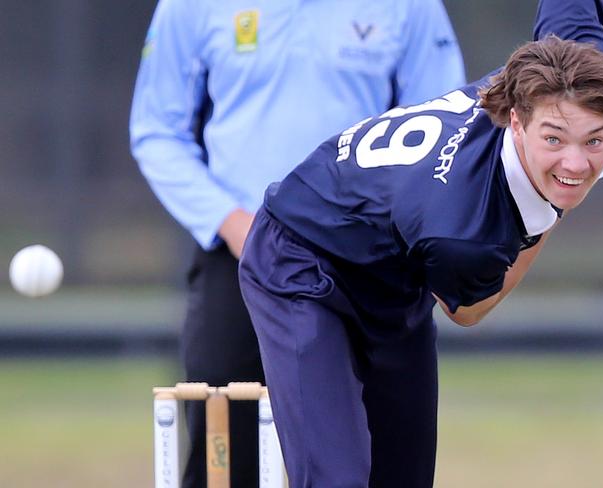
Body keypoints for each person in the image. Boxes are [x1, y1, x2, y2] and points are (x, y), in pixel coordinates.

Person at [238, 0, 603, 486]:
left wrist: (553, 185)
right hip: (299, 256)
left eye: (594, 141)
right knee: (335, 477)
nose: (575, 162)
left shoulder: (593, 82)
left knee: (404, 476)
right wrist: (552, 211)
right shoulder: (460, 233)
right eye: (554, 140)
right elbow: (468, 310)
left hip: (394, 269)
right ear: (516, 119)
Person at [129, 1, 465, 486]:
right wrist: (234, 224)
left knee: (378, 463)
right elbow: (156, 131)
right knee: (226, 460)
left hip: (369, 263)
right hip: (240, 256)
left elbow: (447, 127)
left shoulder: (410, 6)